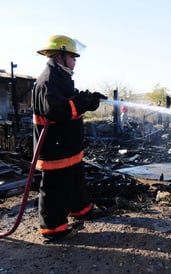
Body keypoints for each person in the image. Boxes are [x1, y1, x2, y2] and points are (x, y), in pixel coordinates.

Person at [33, 35, 107, 243]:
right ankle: (53, 229)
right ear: (61, 56)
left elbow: (71, 100)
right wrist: (82, 103)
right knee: (56, 189)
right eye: (73, 57)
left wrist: (88, 98)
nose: (75, 61)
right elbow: (58, 110)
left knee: (75, 181)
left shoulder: (61, 77)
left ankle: (81, 210)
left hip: (68, 146)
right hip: (55, 147)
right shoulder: (48, 80)